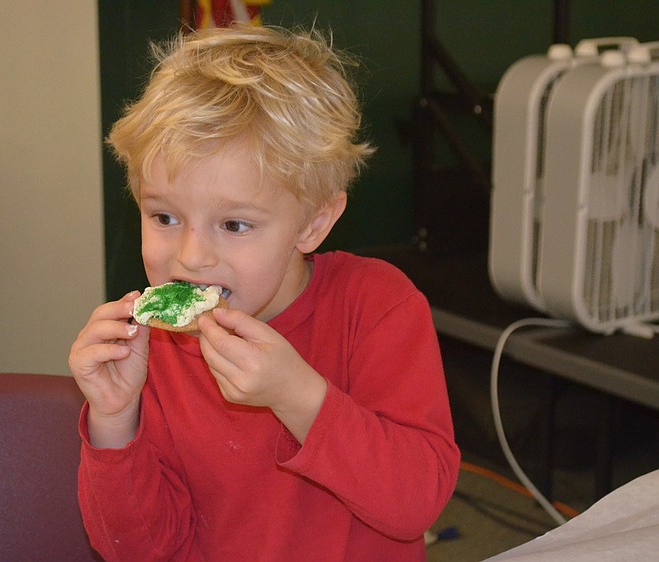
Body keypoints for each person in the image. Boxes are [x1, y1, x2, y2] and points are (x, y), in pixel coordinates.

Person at [69, 23, 460, 561]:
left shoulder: (377, 306)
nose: (191, 256)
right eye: (164, 217)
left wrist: (298, 396)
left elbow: (416, 503)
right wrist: (115, 419)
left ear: (313, 223)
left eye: (234, 225)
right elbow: (137, 550)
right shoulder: (151, 348)